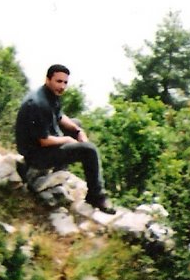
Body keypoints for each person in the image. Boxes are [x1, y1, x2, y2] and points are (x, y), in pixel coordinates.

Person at [14, 64, 115, 213]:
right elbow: (44, 140)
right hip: (36, 155)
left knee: (76, 123)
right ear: (48, 79)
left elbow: (59, 116)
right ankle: (96, 196)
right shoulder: (39, 104)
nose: (62, 86)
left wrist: (78, 130)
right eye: (58, 81)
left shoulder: (50, 94)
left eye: (65, 82)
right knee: (89, 150)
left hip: (43, 145)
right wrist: (68, 140)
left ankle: (60, 169)